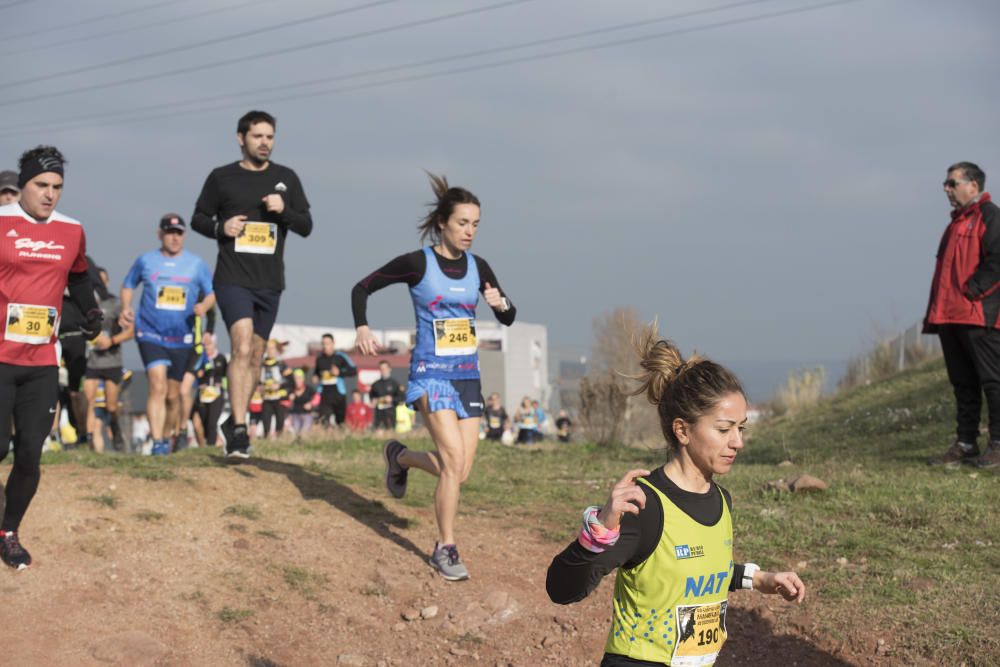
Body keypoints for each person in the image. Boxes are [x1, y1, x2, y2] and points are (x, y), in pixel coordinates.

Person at [546, 323, 805, 665]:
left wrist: (760, 579)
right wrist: (600, 532)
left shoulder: (721, 501)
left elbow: (701, 569)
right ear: (682, 430)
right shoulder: (645, 507)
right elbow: (562, 589)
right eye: (724, 429)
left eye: (741, 429)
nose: (738, 442)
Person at [352, 173, 516, 581]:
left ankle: (400, 457)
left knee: (459, 472)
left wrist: (500, 302)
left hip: (468, 377)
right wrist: (362, 327)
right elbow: (363, 287)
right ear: (443, 222)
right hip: (431, 375)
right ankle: (445, 547)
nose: (470, 232)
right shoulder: (417, 263)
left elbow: (509, 315)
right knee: (452, 462)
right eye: (463, 223)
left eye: (476, 224)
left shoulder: (479, 267)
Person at [0, 146, 102, 569]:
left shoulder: (71, 230)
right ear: (22, 185)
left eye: (57, 187)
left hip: (42, 359)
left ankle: (8, 533)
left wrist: (91, 309)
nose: (50, 194)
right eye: (41, 185)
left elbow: (78, 277)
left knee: (29, 453)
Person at [191, 110, 313, 459]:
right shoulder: (222, 177)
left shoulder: (286, 178)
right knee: (241, 346)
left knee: (256, 354)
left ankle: (234, 422)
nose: (264, 143)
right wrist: (221, 228)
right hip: (232, 277)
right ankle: (241, 428)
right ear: (240, 138)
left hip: (269, 281)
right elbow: (198, 217)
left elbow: (306, 225)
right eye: (258, 136)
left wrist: (283, 210)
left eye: (270, 137)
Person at [925, 162, 1000, 469]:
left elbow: (997, 260)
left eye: (951, 182)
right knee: (963, 383)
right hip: (949, 316)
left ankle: (997, 444)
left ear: (973, 184)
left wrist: (973, 291)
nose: (946, 188)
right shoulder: (955, 223)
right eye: (946, 183)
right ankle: (966, 443)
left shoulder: (990, 216)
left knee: (993, 382)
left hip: (978, 317)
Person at [121, 214, 215, 456]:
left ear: (184, 236)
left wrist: (204, 307)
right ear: (160, 234)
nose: (174, 237)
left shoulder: (196, 264)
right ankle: (157, 441)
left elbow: (212, 293)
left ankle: (168, 435)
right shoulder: (146, 261)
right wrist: (125, 308)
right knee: (157, 385)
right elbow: (128, 284)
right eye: (169, 232)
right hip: (150, 332)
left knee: (173, 396)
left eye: (178, 233)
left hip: (182, 338)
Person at [83, 269, 133, 452]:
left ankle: (115, 427)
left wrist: (111, 341)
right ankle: (87, 441)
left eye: (102, 281)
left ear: (108, 282)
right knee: (88, 400)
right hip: (92, 361)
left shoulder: (115, 304)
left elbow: (132, 331)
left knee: (111, 406)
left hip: (112, 362)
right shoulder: (86, 303)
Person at [177, 305, 216, 451]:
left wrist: (209, 330)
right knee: (173, 396)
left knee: (183, 392)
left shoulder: (198, 288)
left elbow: (211, 306)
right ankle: (170, 440)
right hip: (171, 345)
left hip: (193, 350)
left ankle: (183, 432)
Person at [313, 333, 357, 428]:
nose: (325, 346)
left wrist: (339, 372)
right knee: (323, 419)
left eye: (327, 343)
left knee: (340, 420)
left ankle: (341, 438)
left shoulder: (340, 356)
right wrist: (315, 377)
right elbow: (316, 372)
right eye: (323, 343)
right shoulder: (319, 359)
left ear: (333, 343)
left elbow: (353, 370)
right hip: (324, 393)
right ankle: (325, 439)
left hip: (338, 393)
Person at [192, 332, 227, 447]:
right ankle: (210, 442)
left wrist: (220, 384)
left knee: (212, 421)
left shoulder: (221, 358)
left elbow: (226, 376)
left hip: (216, 395)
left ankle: (211, 445)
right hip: (202, 395)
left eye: (209, 344)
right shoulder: (199, 359)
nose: (207, 347)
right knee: (204, 421)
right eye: (205, 344)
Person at [260, 339, 291, 438]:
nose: (270, 351)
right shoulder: (261, 365)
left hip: (279, 399)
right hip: (266, 398)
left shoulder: (282, 365)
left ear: (277, 350)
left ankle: (279, 440)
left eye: (272, 349)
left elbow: (291, 382)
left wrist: (279, 386)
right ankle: (266, 439)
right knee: (265, 422)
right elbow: (257, 381)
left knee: (280, 422)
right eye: (268, 349)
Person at [369, 360, 401, 434]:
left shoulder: (394, 383)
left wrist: (392, 399)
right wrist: (374, 401)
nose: (383, 370)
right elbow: (372, 398)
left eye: (385, 368)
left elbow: (401, 398)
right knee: (378, 432)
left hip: (390, 412)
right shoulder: (375, 385)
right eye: (381, 368)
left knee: (390, 433)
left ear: (389, 369)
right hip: (379, 413)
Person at [288, 368, 317, 436]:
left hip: (306, 415)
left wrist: (311, 404)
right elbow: (286, 405)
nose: (297, 380)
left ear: (303, 379)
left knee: (304, 433)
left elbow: (317, 398)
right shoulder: (291, 390)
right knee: (295, 434)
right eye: (296, 378)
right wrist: (290, 400)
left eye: (299, 378)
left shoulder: (309, 389)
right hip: (295, 415)